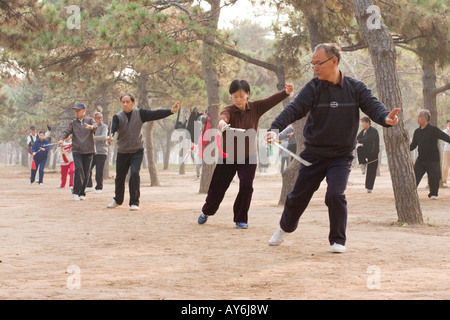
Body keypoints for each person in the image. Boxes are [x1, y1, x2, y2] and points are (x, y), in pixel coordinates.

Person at [266, 43, 400, 253]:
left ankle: (338, 240)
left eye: (318, 63)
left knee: (335, 195)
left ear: (334, 61)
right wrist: (275, 128)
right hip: (313, 155)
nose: (315, 68)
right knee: (297, 197)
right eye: (313, 64)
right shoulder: (313, 88)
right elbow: (294, 109)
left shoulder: (355, 88)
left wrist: (385, 118)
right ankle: (284, 228)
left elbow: (373, 106)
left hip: (340, 156)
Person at [198, 79, 294, 229]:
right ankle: (207, 211)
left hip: (249, 156)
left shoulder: (255, 107)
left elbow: (270, 101)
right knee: (218, 187)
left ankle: (240, 218)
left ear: (247, 95)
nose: (238, 99)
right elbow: (223, 118)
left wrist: (286, 92)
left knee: (246, 186)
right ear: (231, 96)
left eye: (241, 96)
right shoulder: (228, 110)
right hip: (228, 157)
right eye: (235, 96)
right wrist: (222, 124)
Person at [106, 93, 180, 211]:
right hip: (122, 151)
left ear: (133, 103)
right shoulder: (117, 117)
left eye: (127, 102)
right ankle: (117, 200)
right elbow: (112, 128)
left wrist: (171, 111)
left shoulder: (139, 113)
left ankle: (134, 202)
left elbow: (155, 114)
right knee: (120, 177)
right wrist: (109, 136)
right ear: (120, 103)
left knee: (135, 173)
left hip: (137, 151)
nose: (125, 104)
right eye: (123, 102)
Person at [57, 103, 98, 201]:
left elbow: (96, 126)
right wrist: (61, 138)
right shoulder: (73, 123)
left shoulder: (90, 121)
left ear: (84, 111)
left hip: (88, 150)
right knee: (78, 170)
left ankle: (82, 193)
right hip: (77, 150)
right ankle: (75, 192)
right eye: (76, 111)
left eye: (78, 110)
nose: (77, 112)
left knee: (86, 173)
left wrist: (91, 127)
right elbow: (66, 131)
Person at [410, 110, 450, 199]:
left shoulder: (433, 130)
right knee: (414, 176)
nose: (418, 119)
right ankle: (410, 193)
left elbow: (445, 137)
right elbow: (413, 145)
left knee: (434, 177)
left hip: (433, 159)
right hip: (421, 159)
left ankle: (433, 194)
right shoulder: (417, 132)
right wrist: (405, 150)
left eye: (419, 117)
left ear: (425, 118)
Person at [86, 112, 109, 194]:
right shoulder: (93, 127)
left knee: (99, 171)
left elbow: (103, 137)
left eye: (101, 117)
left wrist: (93, 137)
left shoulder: (105, 127)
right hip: (92, 151)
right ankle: (89, 185)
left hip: (101, 152)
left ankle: (99, 187)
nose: (100, 119)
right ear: (94, 119)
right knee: (88, 169)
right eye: (98, 118)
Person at [356, 116, 380, 193]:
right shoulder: (363, 131)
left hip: (373, 153)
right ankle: (363, 164)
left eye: (362, 123)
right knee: (359, 149)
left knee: (371, 171)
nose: (362, 124)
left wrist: (358, 141)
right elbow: (357, 138)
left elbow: (368, 140)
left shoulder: (373, 131)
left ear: (367, 123)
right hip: (366, 151)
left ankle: (369, 188)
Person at [442, 119, 450, 186]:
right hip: (447, 150)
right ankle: (444, 179)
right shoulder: (445, 131)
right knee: (445, 165)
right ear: (447, 124)